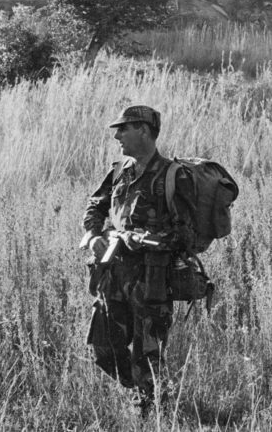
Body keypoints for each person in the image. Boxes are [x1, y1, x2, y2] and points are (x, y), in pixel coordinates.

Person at [79, 105, 196, 413]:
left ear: (144, 131)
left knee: (147, 355)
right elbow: (95, 206)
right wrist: (93, 235)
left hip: (150, 281)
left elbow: (186, 237)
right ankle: (146, 391)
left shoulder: (173, 175)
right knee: (103, 349)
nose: (117, 135)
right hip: (112, 275)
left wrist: (141, 240)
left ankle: (153, 409)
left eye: (124, 128)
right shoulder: (119, 170)